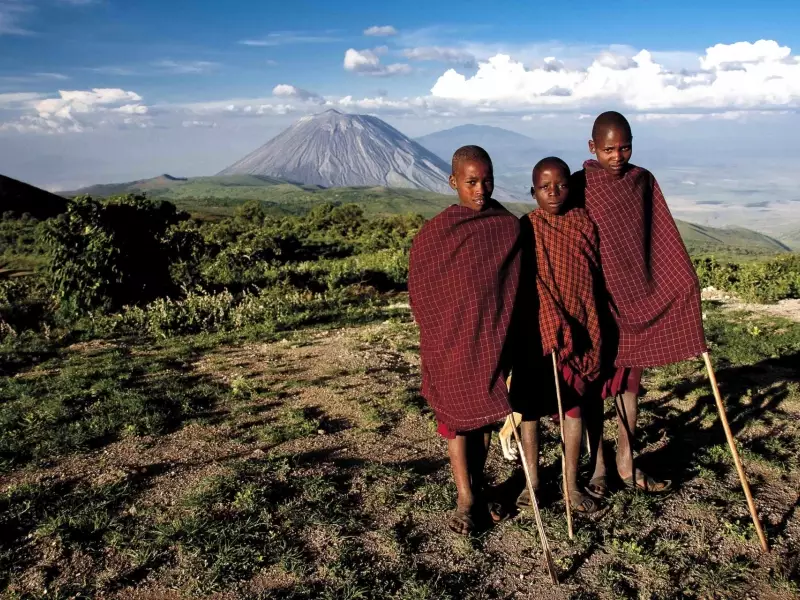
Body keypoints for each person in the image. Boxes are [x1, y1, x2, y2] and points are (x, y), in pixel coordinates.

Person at [574, 111, 707, 497]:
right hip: (595, 307)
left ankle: (627, 463)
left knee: (630, 388)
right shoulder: (580, 186)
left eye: (625, 147)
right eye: (609, 148)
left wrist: (682, 281)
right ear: (592, 147)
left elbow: (662, 237)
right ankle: (598, 467)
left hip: (635, 302)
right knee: (595, 389)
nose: (617, 156)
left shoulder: (642, 181)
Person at [408, 145, 525, 535]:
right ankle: (465, 500)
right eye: (471, 182)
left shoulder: (506, 225)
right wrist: (439, 329)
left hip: (492, 337)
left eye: (486, 180)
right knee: (458, 422)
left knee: (485, 413)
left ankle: (481, 485)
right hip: (450, 341)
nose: (480, 190)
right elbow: (422, 289)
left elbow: (515, 283)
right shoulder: (437, 232)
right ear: (453, 181)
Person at [510, 157, 603, 514]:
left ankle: (570, 484)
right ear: (532, 191)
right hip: (536, 332)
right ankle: (531, 481)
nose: (553, 192)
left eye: (561, 185)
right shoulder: (525, 228)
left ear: (571, 187)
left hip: (581, 329)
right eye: (544, 186)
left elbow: (591, 279)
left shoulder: (582, 224)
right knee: (530, 411)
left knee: (574, 408)